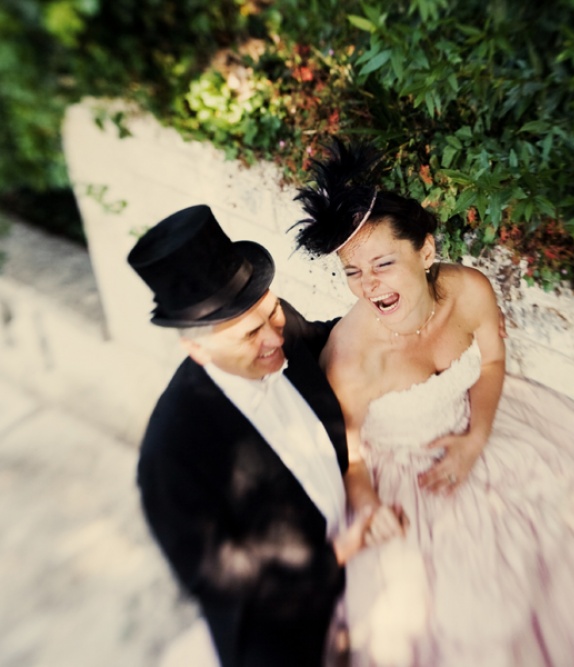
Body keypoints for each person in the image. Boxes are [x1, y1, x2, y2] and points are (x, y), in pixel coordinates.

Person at [293, 140, 574, 666]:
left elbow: (491, 363)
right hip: (410, 479)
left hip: (483, 422)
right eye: (352, 272)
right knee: (470, 608)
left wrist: (477, 438)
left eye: (382, 263)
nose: (367, 285)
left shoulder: (468, 290)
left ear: (426, 251)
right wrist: (371, 508)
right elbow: (351, 456)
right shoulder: (353, 359)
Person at [127, 205, 406, 667]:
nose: (276, 339)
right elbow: (218, 575)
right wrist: (337, 554)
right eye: (250, 334)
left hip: (364, 575)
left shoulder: (275, 324)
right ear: (196, 348)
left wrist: (419, 313)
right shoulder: (170, 451)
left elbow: (331, 340)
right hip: (284, 633)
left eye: (273, 313)